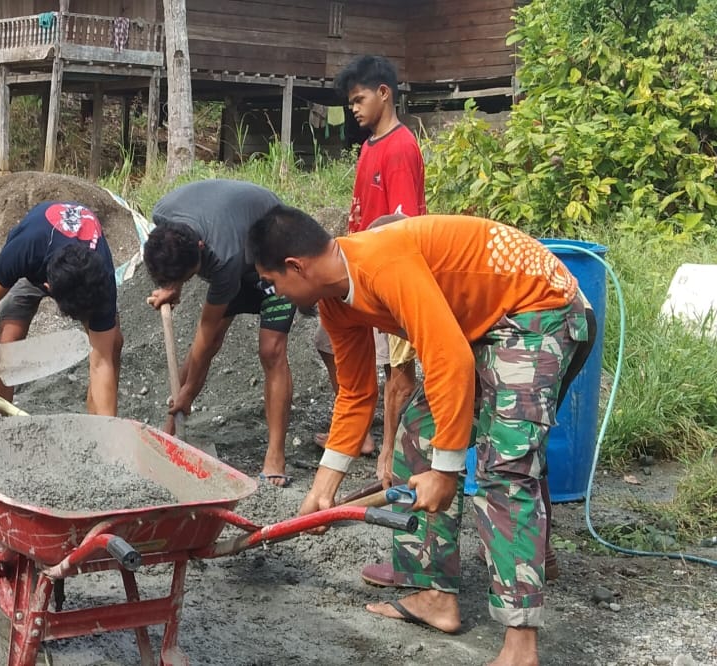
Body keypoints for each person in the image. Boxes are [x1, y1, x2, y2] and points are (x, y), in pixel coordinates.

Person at [248, 206, 595, 666]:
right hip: (480, 322)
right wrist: (323, 487)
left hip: (538, 307)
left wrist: (446, 470)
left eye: (272, 282)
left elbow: (449, 358)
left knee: (505, 470)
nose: (275, 294)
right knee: (416, 435)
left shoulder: (383, 262)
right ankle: (433, 594)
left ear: (296, 267)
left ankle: (520, 646)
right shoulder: (336, 303)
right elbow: (355, 393)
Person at [143, 179, 296, 487]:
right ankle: (171, 431)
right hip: (240, 244)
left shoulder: (222, 258)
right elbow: (172, 255)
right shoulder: (163, 215)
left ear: (199, 251)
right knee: (205, 347)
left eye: (183, 279)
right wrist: (172, 288)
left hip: (279, 257)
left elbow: (206, 334)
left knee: (271, 350)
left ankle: (276, 454)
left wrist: (188, 392)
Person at [314, 54, 426, 465]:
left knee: (398, 371)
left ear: (384, 93)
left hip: (389, 271)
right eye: (351, 104)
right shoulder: (368, 148)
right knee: (328, 341)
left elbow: (404, 223)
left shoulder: (400, 148)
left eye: (359, 100)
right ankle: (360, 429)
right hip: (357, 270)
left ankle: (392, 455)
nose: (355, 110)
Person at [0, 201, 122, 416]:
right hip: (35, 263)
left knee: (112, 346)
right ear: (48, 288)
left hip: (84, 275)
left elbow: (101, 363)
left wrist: (110, 438)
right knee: (8, 349)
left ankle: (97, 430)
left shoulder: (101, 277)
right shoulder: (24, 250)